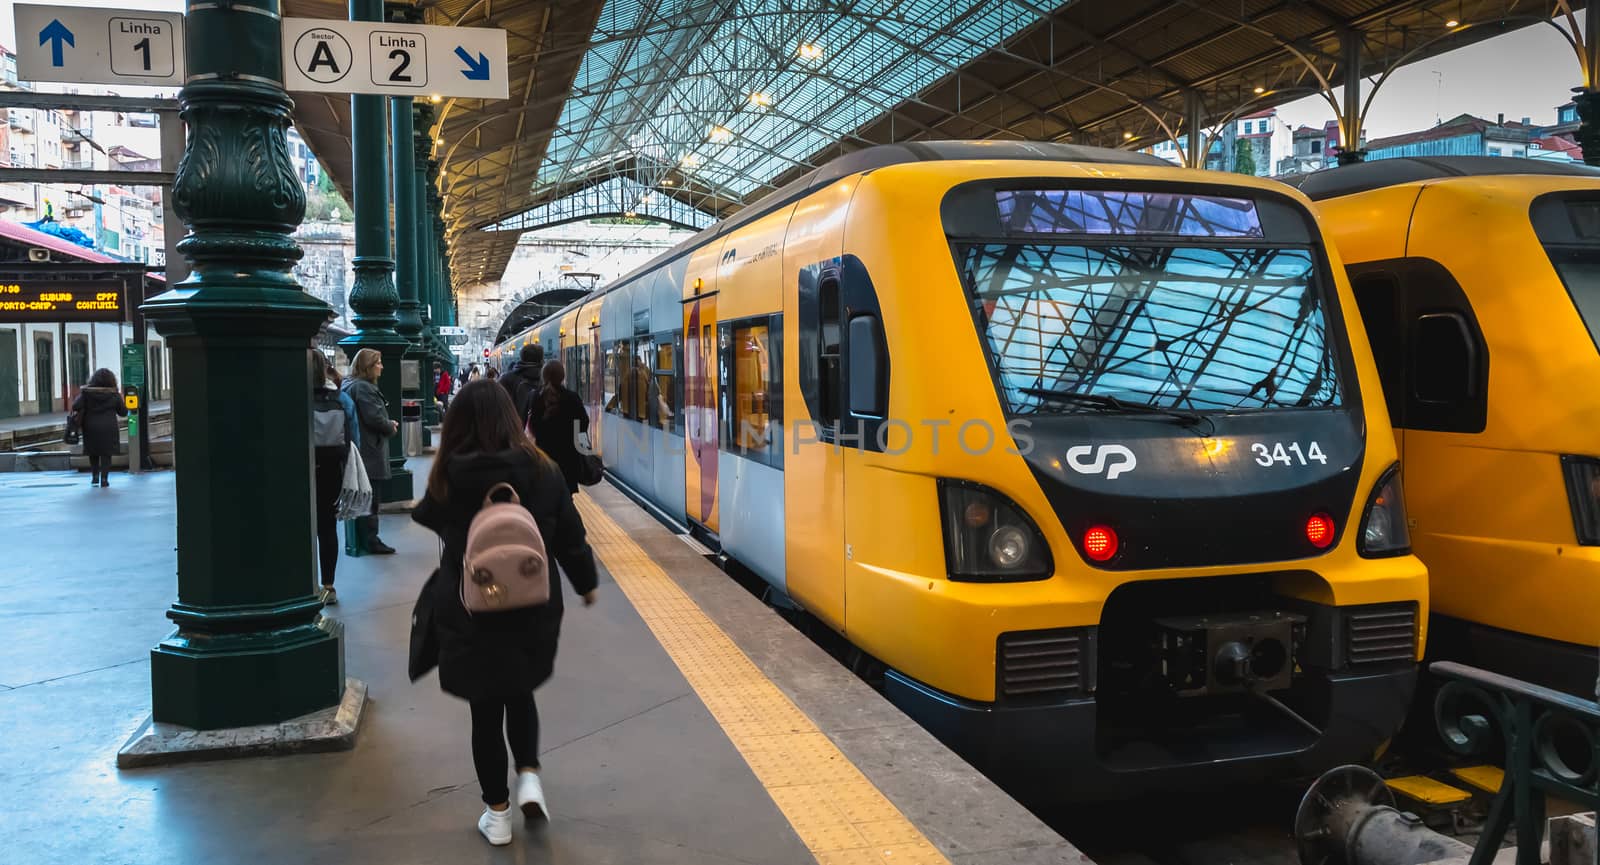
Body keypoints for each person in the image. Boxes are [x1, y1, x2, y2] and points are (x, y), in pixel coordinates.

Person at [412, 380, 599, 846]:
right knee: (520, 691)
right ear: (513, 419)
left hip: (472, 607)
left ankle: (497, 815)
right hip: (533, 605)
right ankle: (530, 776)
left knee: (485, 710)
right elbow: (570, 539)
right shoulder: (544, 469)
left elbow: (428, 517)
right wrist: (586, 584)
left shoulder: (450, 474)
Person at [310, 351, 359, 605]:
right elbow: (354, 443)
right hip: (332, 471)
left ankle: (304, 584)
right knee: (328, 527)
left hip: (300, 473)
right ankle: (328, 585)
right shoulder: (341, 400)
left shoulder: (289, 400)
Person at [343, 348, 399, 555]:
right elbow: (374, 418)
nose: (382, 367)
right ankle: (370, 540)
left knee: (362, 496)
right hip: (369, 450)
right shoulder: (364, 388)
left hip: (359, 447)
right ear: (368, 366)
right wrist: (390, 425)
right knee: (370, 497)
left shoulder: (350, 385)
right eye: (378, 363)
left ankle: (361, 539)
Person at [527, 360, 589, 494]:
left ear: (543, 376)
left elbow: (533, 426)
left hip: (544, 457)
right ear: (562, 376)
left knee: (546, 496)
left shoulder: (535, 397)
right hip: (569, 458)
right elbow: (583, 422)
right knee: (566, 496)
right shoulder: (572, 398)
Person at [71, 368, 126, 488]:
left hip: (90, 426)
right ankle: (105, 479)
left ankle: (95, 476)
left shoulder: (86, 393)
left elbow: (75, 406)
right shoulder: (114, 394)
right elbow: (123, 412)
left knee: (93, 452)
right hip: (108, 427)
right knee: (106, 453)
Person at [501, 344, 544, 420]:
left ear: (521, 358)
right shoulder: (549, 379)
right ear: (541, 359)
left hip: (516, 427)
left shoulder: (507, 379)